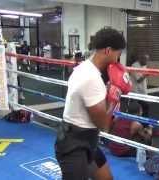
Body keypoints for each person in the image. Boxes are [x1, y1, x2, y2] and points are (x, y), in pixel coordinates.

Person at [55, 28, 131, 180]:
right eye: (118, 53)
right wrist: (114, 96)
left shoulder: (90, 68)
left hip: (88, 140)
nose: (118, 58)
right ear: (108, 51)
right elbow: (104, 125)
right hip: (74, 146)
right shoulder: (91, 78)